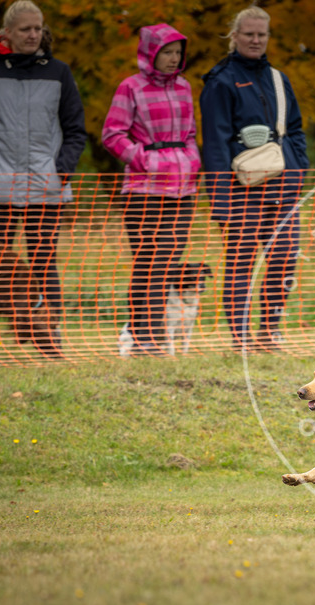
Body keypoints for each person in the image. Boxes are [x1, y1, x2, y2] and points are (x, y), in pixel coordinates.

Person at [0, 0, 86, 355]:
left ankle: (49, 336)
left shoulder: (59, 72)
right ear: (7, 33)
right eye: (25, 29)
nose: (33, 34)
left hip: (46, 189)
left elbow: (76, 130)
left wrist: (62, 170)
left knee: (44, 263)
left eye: (38, 28)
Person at [200, 5, 309, 352]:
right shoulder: (220, 81)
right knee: (241, 264)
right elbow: (215, 145)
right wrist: (220, 201)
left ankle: (269, 333)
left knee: (283, 258)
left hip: (284, 187)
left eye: (262, 34)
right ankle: (241, 338)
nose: (255, 40)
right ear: (234, 36)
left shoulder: (279, 79)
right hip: (240, 191)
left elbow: (295, 129)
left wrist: (299, 167)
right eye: (248, 34)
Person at [102, 23, 202, 357]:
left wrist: (191, 159)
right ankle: (145, 335)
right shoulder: (130, 87)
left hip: (184, 190)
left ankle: (156, 338)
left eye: (177, 53)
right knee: (148, 262)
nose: (173, 60)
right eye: (167, 53)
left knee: (170, 263)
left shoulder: (184, 87)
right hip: (144, 188)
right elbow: (112, 134)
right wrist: (144, 159)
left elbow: (189, 133)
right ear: (150, 54)